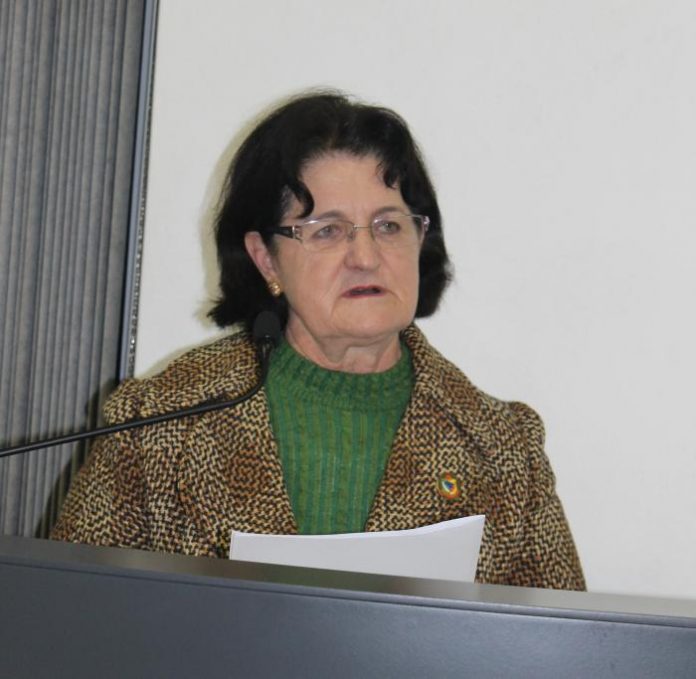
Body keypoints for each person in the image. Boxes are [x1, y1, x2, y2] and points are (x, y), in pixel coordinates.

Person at [51, 91, 585, 591]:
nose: (366, 257)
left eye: (389, 226)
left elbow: (562, 646)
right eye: (327, 230)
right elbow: (65, 617)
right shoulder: (161, 420)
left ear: (421, 239)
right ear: (265, 259)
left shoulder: (503, 450)